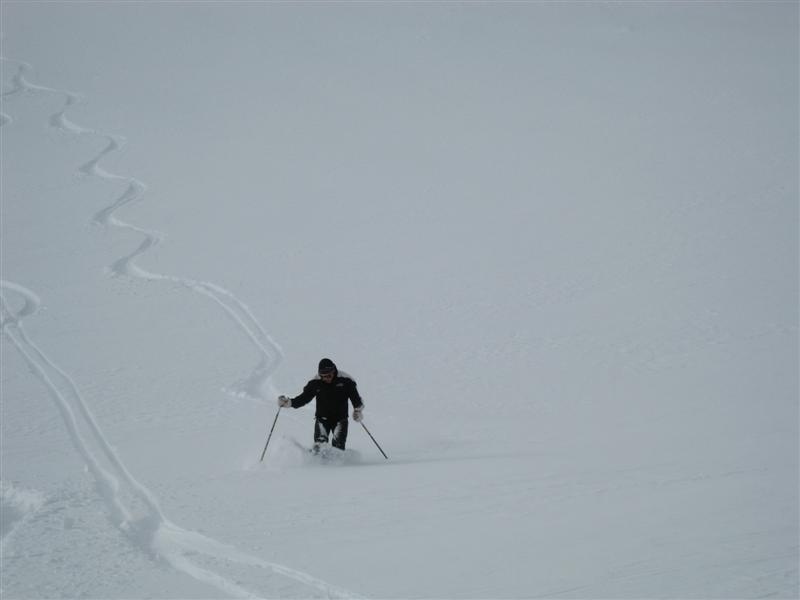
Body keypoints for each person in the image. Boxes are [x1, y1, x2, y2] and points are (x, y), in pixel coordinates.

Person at [278, 358, 364, 452]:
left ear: (333, 371)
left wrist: (358, 410)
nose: (327, 378)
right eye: (324, 376)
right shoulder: (315, 382)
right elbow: (304, 398)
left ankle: (339, 465)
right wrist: (290, 403)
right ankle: (318, 465)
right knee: (319, 446)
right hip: (322, 419)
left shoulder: (346, 380)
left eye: (329, 375)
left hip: (341, 419)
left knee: (338, 447)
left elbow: (356, 398)